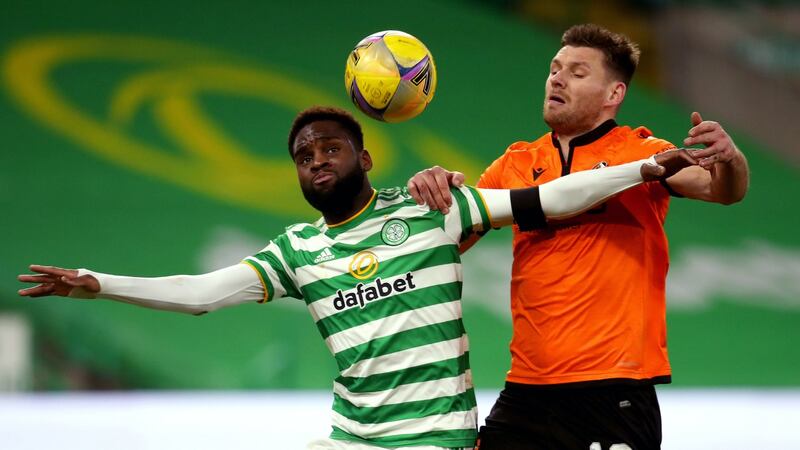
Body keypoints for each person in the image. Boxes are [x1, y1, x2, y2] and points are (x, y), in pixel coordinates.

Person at [18, 106, 695, 450]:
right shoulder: (298, 250)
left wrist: (646, 166)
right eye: (304, 154)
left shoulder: (431, 211)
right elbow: (200, 295)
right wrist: (97, 281)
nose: (317, 159)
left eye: (331, 147)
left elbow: (548, 201)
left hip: (435, 442)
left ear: (364, 156)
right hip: (352, 440)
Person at [407, 24, 749, 450]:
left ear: (614, 95)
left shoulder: (642, 153)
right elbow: (446, 241)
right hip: (527, 389)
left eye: (577, 72)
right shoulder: (514, 164)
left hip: (613, 389)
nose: (557, 78)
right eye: (555, 68)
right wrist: (434, 191)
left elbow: (723, 190)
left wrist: (729, 158)